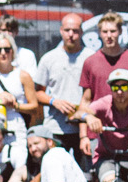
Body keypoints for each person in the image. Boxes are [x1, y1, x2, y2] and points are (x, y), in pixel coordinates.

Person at [34, 11, 89, 152]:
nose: (71, 34)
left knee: (85, 173)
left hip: (84, 129)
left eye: (75, 31)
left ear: (82, 32)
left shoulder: (91, 57)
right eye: (67, 30)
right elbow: (38, 93)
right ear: (61, 31)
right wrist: (55, 102)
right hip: (55, 127)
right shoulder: (49, 58)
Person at [0, 33, 40, 140]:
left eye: (7, 49)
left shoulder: (23, 76)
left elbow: (34, 107)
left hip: (17, 127)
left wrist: (15, 105)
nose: (3, 53)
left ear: (13, 51)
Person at [80, 11, 128, 104]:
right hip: (98, 118)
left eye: (113, 31)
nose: (109, 36)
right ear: (99, 33)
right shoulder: (90, 62)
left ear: (120, 31)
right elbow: (86, 100)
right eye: (105, 32)